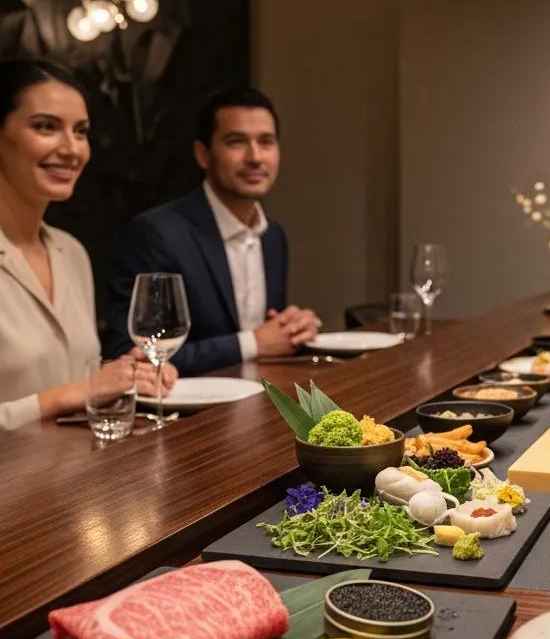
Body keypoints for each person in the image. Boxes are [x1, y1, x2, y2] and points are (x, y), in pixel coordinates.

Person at [0, 60, 174, 431]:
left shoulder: (71, 252)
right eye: (46, 127)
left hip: (77, 479)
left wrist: (122, 375)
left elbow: (74, 383)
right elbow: (69, 392)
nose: (72, 148)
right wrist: (74, 393)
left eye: (81, 132)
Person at [104, 87, 321, 375]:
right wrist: (253, 343)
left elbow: (267, 341)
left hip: (258, 403)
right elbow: (130, 352)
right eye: (236, 142)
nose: (255, 157)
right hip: (184, 414)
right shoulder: (154, 234)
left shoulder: (273, 236)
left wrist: (291, 329)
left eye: (266, 142)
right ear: (203, 154)